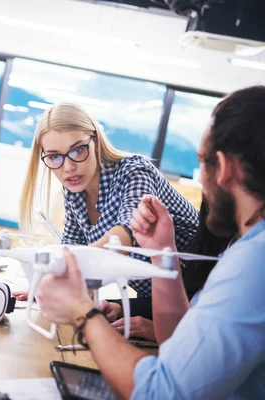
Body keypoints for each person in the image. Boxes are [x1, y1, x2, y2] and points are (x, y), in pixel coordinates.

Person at [36, 86, 265, 399]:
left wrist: (82, 312)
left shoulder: (253, 261)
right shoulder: (246, 250)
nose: (68, 166)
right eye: (55, 157)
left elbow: (162, 393)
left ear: (224, 168)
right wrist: (163, 253)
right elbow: (181, 342)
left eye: (202, 163)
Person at [19, 103, 198, 299]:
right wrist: (43, 286)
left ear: (95, 141)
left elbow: (127, 233)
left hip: (199, 294)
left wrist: (64, 268)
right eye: (54, 157)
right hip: (155, 301)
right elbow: (71, 247)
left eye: (78, 150)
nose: (68, 167)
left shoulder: (134, 172)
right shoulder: (74, 190)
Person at [102, 196, 235, 341]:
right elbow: (187, 300)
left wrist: (160, 331)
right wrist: (118, 308)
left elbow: (218, 341)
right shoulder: (218, 233)